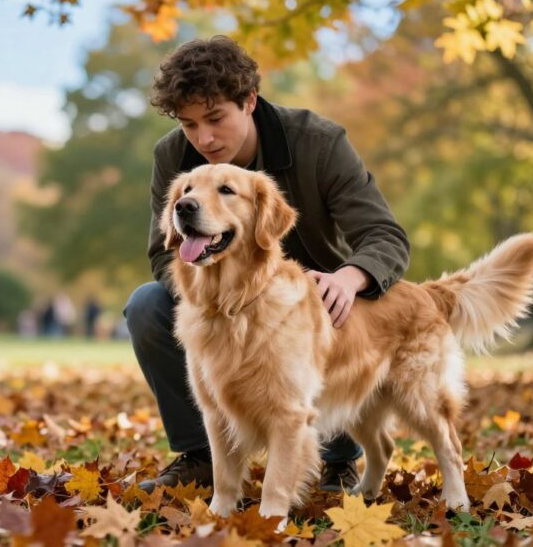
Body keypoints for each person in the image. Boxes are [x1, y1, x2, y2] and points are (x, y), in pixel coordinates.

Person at [124, 36, 410, 496]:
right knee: (147, 306)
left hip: (320, 302)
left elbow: (384, 236)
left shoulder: (319, 142)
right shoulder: (172, 157)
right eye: (189, 124)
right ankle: (200, 453)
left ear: (250, 101)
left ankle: (338, 458)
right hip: (220, 298)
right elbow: (163, 251)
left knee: (323, 321)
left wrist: (349, 277)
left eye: (215, 118)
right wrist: (214, 302)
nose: (204, 139)